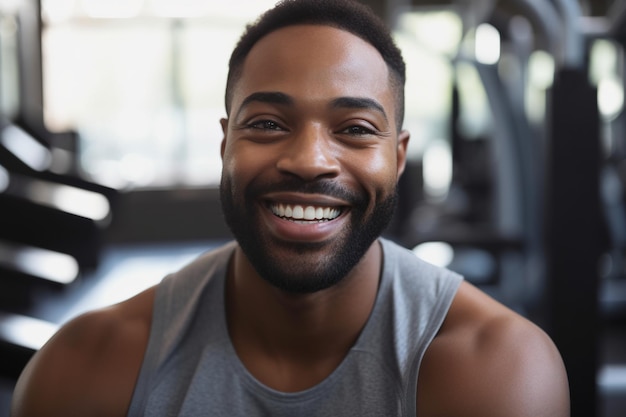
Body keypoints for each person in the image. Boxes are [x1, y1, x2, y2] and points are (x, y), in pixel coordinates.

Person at [11, 0, 570, 416]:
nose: (309, 161)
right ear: (226, 144)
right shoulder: (86, 371)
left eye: (354, 128)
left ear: (397, 158)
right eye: (268, 124)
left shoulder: (498, 372)